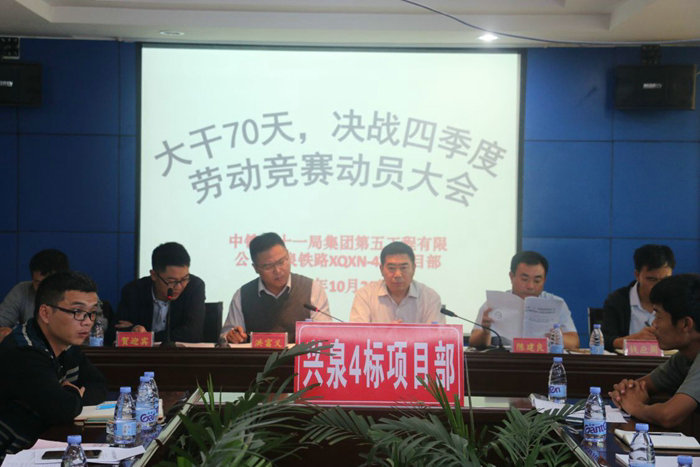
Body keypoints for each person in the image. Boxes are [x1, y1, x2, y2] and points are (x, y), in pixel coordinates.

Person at [0, 271, 107, 458]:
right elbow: (62, 410)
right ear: (46, 313)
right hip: (10, 454)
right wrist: (74, 394)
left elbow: (99, 385)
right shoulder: (24, 351)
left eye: (91, 313)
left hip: (39, 446)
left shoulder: (67, 345)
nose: (87, 322)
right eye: (77, 312)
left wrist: (69, 396)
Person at [609, 274, 700, 428]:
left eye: (658, 315)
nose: (654, 324)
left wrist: (636, 407)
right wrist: (625, 391)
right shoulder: (684, 357)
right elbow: (640, 386)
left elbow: (668, 416)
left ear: (685, 324)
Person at [220, 232, 331, 344]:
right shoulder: (243, 295)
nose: (277, 271)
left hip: (300, 355)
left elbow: (325, 335)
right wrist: (231, 336)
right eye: (268, 266)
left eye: (281, 262)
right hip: (257, 355)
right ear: (255, 268)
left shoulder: (312, 289)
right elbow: (226, 337)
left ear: (288, 256)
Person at [469, 251, 579, 349]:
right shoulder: (494, 302)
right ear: (511, 277)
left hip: (544, 361)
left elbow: (574, 342)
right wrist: (485, 332)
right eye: (524, 279)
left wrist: (557, 337)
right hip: (506, 360)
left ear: (544, 280)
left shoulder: (555, 304)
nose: (530, 286)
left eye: (537, 281)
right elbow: (473, 341)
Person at [114, 242, 205, 343]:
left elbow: (192, 334)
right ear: (154, 275)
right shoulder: (134, 291)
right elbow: (117, 330)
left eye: (184, 279)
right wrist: (133, 329)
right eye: (172, 281)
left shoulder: (194, 287)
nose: (179, 287)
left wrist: (147, 336)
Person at [602, 244, 675, 351]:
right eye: (652, 279)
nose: (659, 286)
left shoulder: (678, 300)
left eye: (665, 280)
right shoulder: (617, 300)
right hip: (627, 361)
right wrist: (631, 340)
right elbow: (603, 340)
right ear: (637, 275)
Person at [349, 241, 444, 324]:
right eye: (391, 268)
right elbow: (357, 334)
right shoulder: (365, 295)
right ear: (381, 269)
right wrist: (386, 334)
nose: (398, 274)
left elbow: (436, 335)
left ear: (414, 268)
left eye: (403, 268)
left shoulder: (430, 298)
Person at [0, 249, 69, 342]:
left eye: (47, 283)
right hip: (30, 347)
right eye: (37, 283)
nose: (42, 289)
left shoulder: (78, 295)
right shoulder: (22, 290)